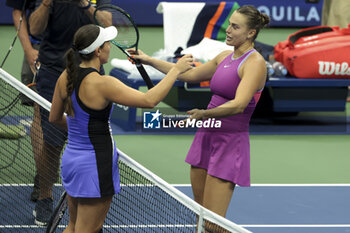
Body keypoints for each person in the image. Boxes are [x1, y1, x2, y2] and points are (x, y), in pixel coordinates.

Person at [49, 24, 193, 233]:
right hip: (95, 165)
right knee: (87, 229)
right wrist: (176, 70)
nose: (110, 47)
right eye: (107, 43)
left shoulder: (66, 76)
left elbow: (54, 118)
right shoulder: (103, 83)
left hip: (72, 160)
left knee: (73, 226)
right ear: (98, 50)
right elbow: (149, 99)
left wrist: (83, 129)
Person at [129, 5, 270, 219]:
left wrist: (205, 114)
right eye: (229, 25)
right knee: (200, 215)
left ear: (251, 33)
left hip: (229, 142)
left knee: (214, 223)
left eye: (235, 27)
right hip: (206, 135)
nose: (228, 30)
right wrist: (148, 60)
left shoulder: (255, 63)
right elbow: (189, 75)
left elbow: (239, 104)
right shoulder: (224, 56)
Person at [29, 0, 111, 226]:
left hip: (91, 71)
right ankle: (45, 196)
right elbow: (34, 28)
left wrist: (85, 4)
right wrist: (46, 3)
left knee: (92, 139)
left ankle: (88, 200)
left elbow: (106, 23)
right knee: (52, 142)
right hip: (53, 70)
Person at [5, 0, 43, 202]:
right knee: (40, 115)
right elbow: (18, 11)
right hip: (40, 50)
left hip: (80, 51)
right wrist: (28, 50)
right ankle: (43, 176)